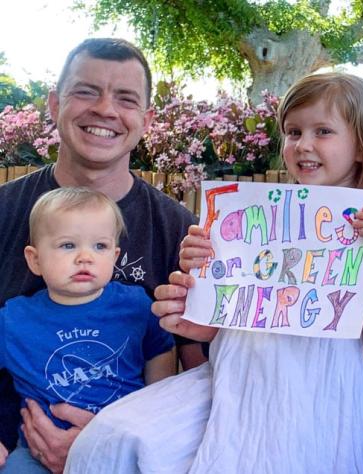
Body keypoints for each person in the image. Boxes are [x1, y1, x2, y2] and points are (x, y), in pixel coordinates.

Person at [65, 72, 363, 473]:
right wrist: (200, 279)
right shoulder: (251, 217)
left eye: (323, 131)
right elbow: (222, 320)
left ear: (362, 145)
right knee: (111, 441)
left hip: (319, 393)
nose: (303, 145)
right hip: (234, 375)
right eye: (293, 131)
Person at [148, 63, 363, 473]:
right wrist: (203, 303)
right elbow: (246, 324)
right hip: (246, 402)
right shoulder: (265, 217)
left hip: (329, 426)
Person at [0, 38, 203, 473]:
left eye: (125, 99)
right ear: (55, 104)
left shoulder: (178, 230)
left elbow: (193, 373)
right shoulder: (3, 212)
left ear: (146, 120)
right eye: (87, 91)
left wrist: (106, 447)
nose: (106, 110)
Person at [0, 187, 176, 473]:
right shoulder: (13, 320)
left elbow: (160, 362)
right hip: (38, 455)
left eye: (100, 247)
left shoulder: (137, 307)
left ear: (115, 255)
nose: (85, 257)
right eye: (68, 245)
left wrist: (157, 422)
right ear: (35, 259)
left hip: (122, 447)